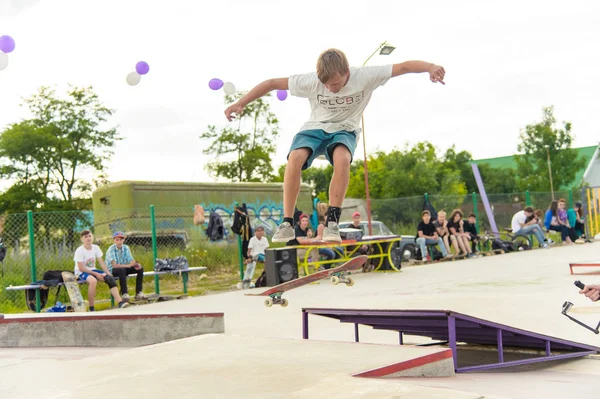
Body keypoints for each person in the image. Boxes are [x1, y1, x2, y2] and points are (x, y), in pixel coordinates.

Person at [225, 48, 445, 244]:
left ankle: (332, 221)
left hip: (345, 129)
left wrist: (430, 67)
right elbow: (272, 83)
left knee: (342, 160)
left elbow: (404, 66)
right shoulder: (311, 81)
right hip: (314, 127)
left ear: (347, 72)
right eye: (326, 85)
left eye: (336, 84)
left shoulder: (365, 76)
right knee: (294, 159)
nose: (331, 89)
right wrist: (240, 102)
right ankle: (287, 222)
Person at [73, 230, 129, 311]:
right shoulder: (79, 250)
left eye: (89, 236)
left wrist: (108, 273)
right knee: (93, 281)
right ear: (82, 239)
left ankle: (120, 302)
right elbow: (81, 267)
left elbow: (102, 263)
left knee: (110, 279)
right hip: (81, 272)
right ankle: (91, 308)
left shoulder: (96, 248)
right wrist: (95, 274)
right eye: (86, 237)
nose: (88, 238)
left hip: (93, 270)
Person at [104, 231, 147, 301]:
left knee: (139, 269)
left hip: (124, 267)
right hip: (113, 270)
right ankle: (125, 293)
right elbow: (114, 265)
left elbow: (131, 260)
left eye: (121, 239)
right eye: (117, 240)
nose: (119, 242)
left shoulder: (126, 248)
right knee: (121, 270)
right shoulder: (111, 249)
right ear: (114, 240)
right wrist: (128, 265)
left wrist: (135, 264)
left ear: (123, 240)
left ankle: (138, 293)